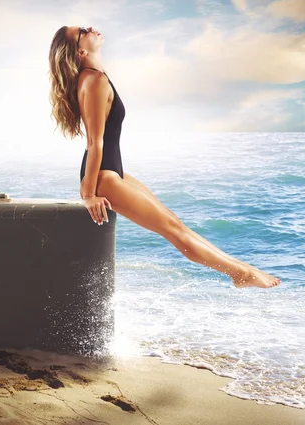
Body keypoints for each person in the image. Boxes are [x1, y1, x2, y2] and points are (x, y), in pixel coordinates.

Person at [48, 25, 281, 289]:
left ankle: (243, 269)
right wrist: (89, 193)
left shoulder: (97, 77)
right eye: (82, 31)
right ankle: (237, 274)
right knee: (173, 231)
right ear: (80, 51)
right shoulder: (93, 80)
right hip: (103, 176)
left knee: (173, 222)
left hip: (112, 171)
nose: (90, 28)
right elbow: (94, 141)